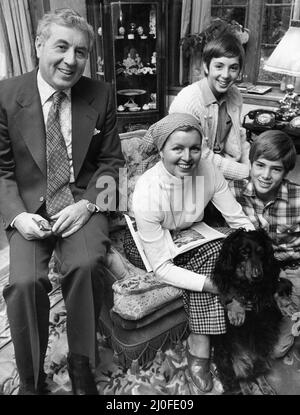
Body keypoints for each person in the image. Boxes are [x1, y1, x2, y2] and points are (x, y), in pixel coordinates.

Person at [0, 8, 124, 395]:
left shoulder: (101, 94)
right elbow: (1, 169)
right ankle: (32, 379)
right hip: (28, 206)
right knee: (23, 283)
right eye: (61, 47)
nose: (71, 60)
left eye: (81, 52)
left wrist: (88, 204)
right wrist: (17, 217)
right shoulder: (6, 95)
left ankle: (82, 363)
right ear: (39, 45)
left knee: (87, 265)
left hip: (79, 200)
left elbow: (112, 162)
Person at [124, 113, 254, 393]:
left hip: (192, 234)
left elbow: (237, 219)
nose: (187, 157)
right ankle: (202, 341)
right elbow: (161, 267)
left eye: (194, 148)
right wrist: (217, 286)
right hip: (148, 247)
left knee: (230, 244)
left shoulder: (208, 169)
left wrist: (256, 249)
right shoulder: (148, 189)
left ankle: (207, 335)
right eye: (177, 149)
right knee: (212, 259)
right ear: (161, 151)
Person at [229, 130, 300, 358]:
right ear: (250, 163)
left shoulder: (298, 198)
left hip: (293, 270)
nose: (266, 175)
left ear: (286, 171)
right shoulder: (232, 192)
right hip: (257, 273)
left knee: (277, 347)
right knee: (264, 345)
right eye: (260, 165)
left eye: (276, 169)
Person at [169, 32, 250, 181]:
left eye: (233, 68)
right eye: (219, 66)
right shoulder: (187, 103)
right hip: (191, 173)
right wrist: (246, 173)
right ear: (206, 66)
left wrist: (252, 166)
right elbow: (201, 157)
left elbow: (239, 137)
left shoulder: (235, 95)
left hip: (224, 168)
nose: (225, 75)